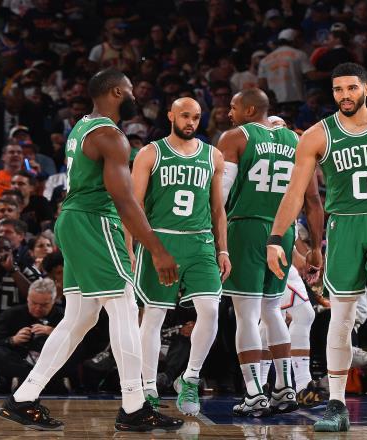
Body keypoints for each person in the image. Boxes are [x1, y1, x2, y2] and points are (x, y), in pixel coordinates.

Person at [0, 68, 183, 432]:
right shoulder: (110, 136)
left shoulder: (82, 126)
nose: (135, 97)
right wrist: (157, 250)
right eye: (130, 91)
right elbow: (125, 200)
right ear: (116, 92)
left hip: (74, 221)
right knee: (124, 306)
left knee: (80, 318)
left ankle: (23, 398)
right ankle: (134, 405)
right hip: (94, 222)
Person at [267, 63, 367, 433]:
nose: (345, 95)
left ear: (366, 88)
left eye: (351, 88)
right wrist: (275, 238)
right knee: (340, 317)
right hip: (343, 227)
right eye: (338, 90)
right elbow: (295, 194)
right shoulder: (316, 135)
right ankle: (336, 404)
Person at [216, 88, 323, 416]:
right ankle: (285, 387)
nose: (229, 113)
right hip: (282, 231)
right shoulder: (297, 141)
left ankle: (254, 393)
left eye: (233, 107)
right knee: (273, 310)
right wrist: (316, 247)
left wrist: (213, 239)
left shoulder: (235, 137)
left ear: (250, 110)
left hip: (245, 227)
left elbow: (219, 196)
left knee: (247, 315)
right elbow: (313, 201)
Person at [130, 97, 230, 416]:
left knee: (210, 311)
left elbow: (218, 209)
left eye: (196, 117)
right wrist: (130, 249)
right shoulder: (150, 153)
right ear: (171, 116)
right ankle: (148, 388)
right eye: (185, 116)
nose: (191, 122)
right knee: (154, 315)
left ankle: (190, 377)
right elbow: (134, 206)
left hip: (200, 242)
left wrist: (223, 248)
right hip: (161, 239)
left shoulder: (213, 155)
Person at [0, 278, 65, 390]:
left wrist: (54, 332)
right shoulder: (12, 314)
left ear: (53, 301)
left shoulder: (64, 316)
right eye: (34, 303)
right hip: (21, 362)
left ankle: (33, 380)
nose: (38, 308)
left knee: (76, 351)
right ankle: (36, 379)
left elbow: (82, 346)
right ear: (28, 298)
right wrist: (13, 340)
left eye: (44, 305)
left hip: (52, 363)